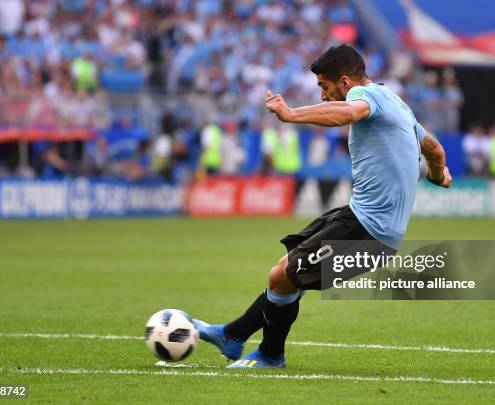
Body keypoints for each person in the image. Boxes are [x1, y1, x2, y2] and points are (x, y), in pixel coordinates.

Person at [194, 44, 452, 369]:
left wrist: (292, 115)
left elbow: (350, 113)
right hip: (356, 216)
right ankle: (232, 336)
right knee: (285, 272)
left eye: (324, 87)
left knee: (282, 277)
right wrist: (436, 175)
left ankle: (268, 354)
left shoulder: (366, 97)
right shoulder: (397, 104)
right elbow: (435, 149)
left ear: (345, 82)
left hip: (369, 232)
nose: (324, 95)